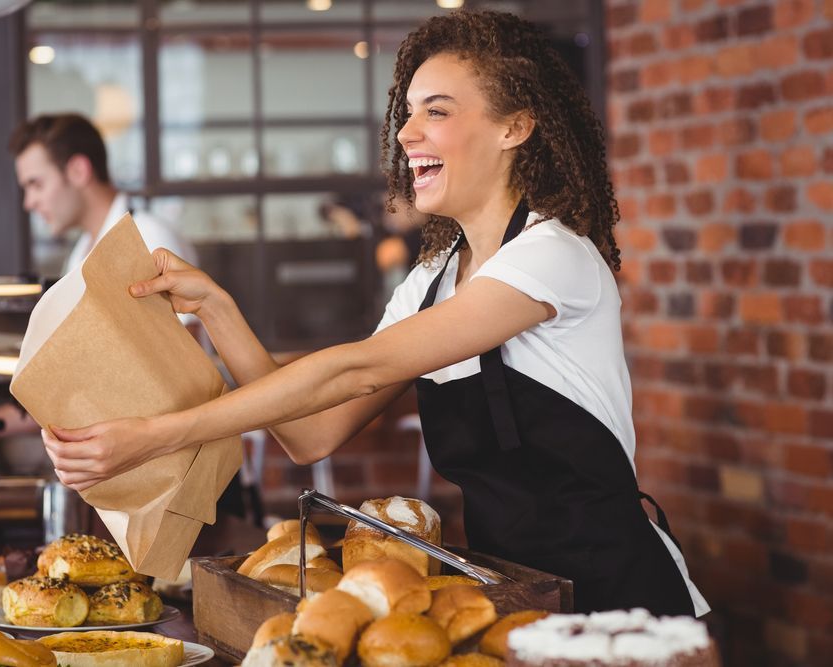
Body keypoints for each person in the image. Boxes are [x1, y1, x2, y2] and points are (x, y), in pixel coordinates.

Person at [41, 10, 708, 617]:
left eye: (437, 111)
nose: (408, 132)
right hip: (514, 603)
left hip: (623, 603)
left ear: (515, 126)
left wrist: (158, 433)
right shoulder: (429, 282)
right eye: (409, 112)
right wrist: (218, 308)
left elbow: (358, 369)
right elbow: (311, 434)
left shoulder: (552, 255)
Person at [8, 113, 196, 274]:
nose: (29, 203)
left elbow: (179, 317)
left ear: (78, 171)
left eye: (37, 185)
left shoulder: (148, 238)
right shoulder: (83, 250)